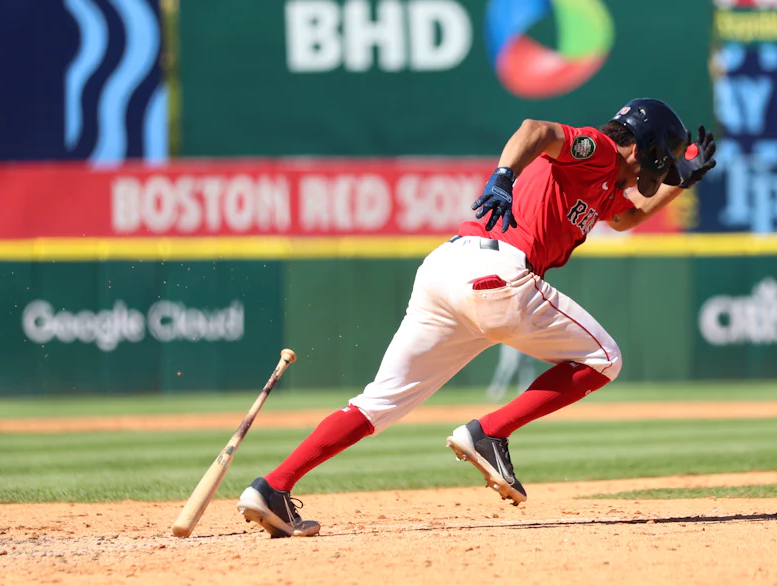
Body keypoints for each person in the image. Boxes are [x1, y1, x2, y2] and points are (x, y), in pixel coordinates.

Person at [237, 99, 716, 537]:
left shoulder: (608, 185)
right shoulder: (604, 151)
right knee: (605, 357)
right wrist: (503, 175)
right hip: (497, 273)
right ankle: (490, 432)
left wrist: (682, 183)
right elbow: (538, 129)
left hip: (445, 271)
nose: (663, 172)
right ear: (649, 147)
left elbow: (627, 218)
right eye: (666, 162)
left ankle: (273, 486)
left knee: (377, 403)